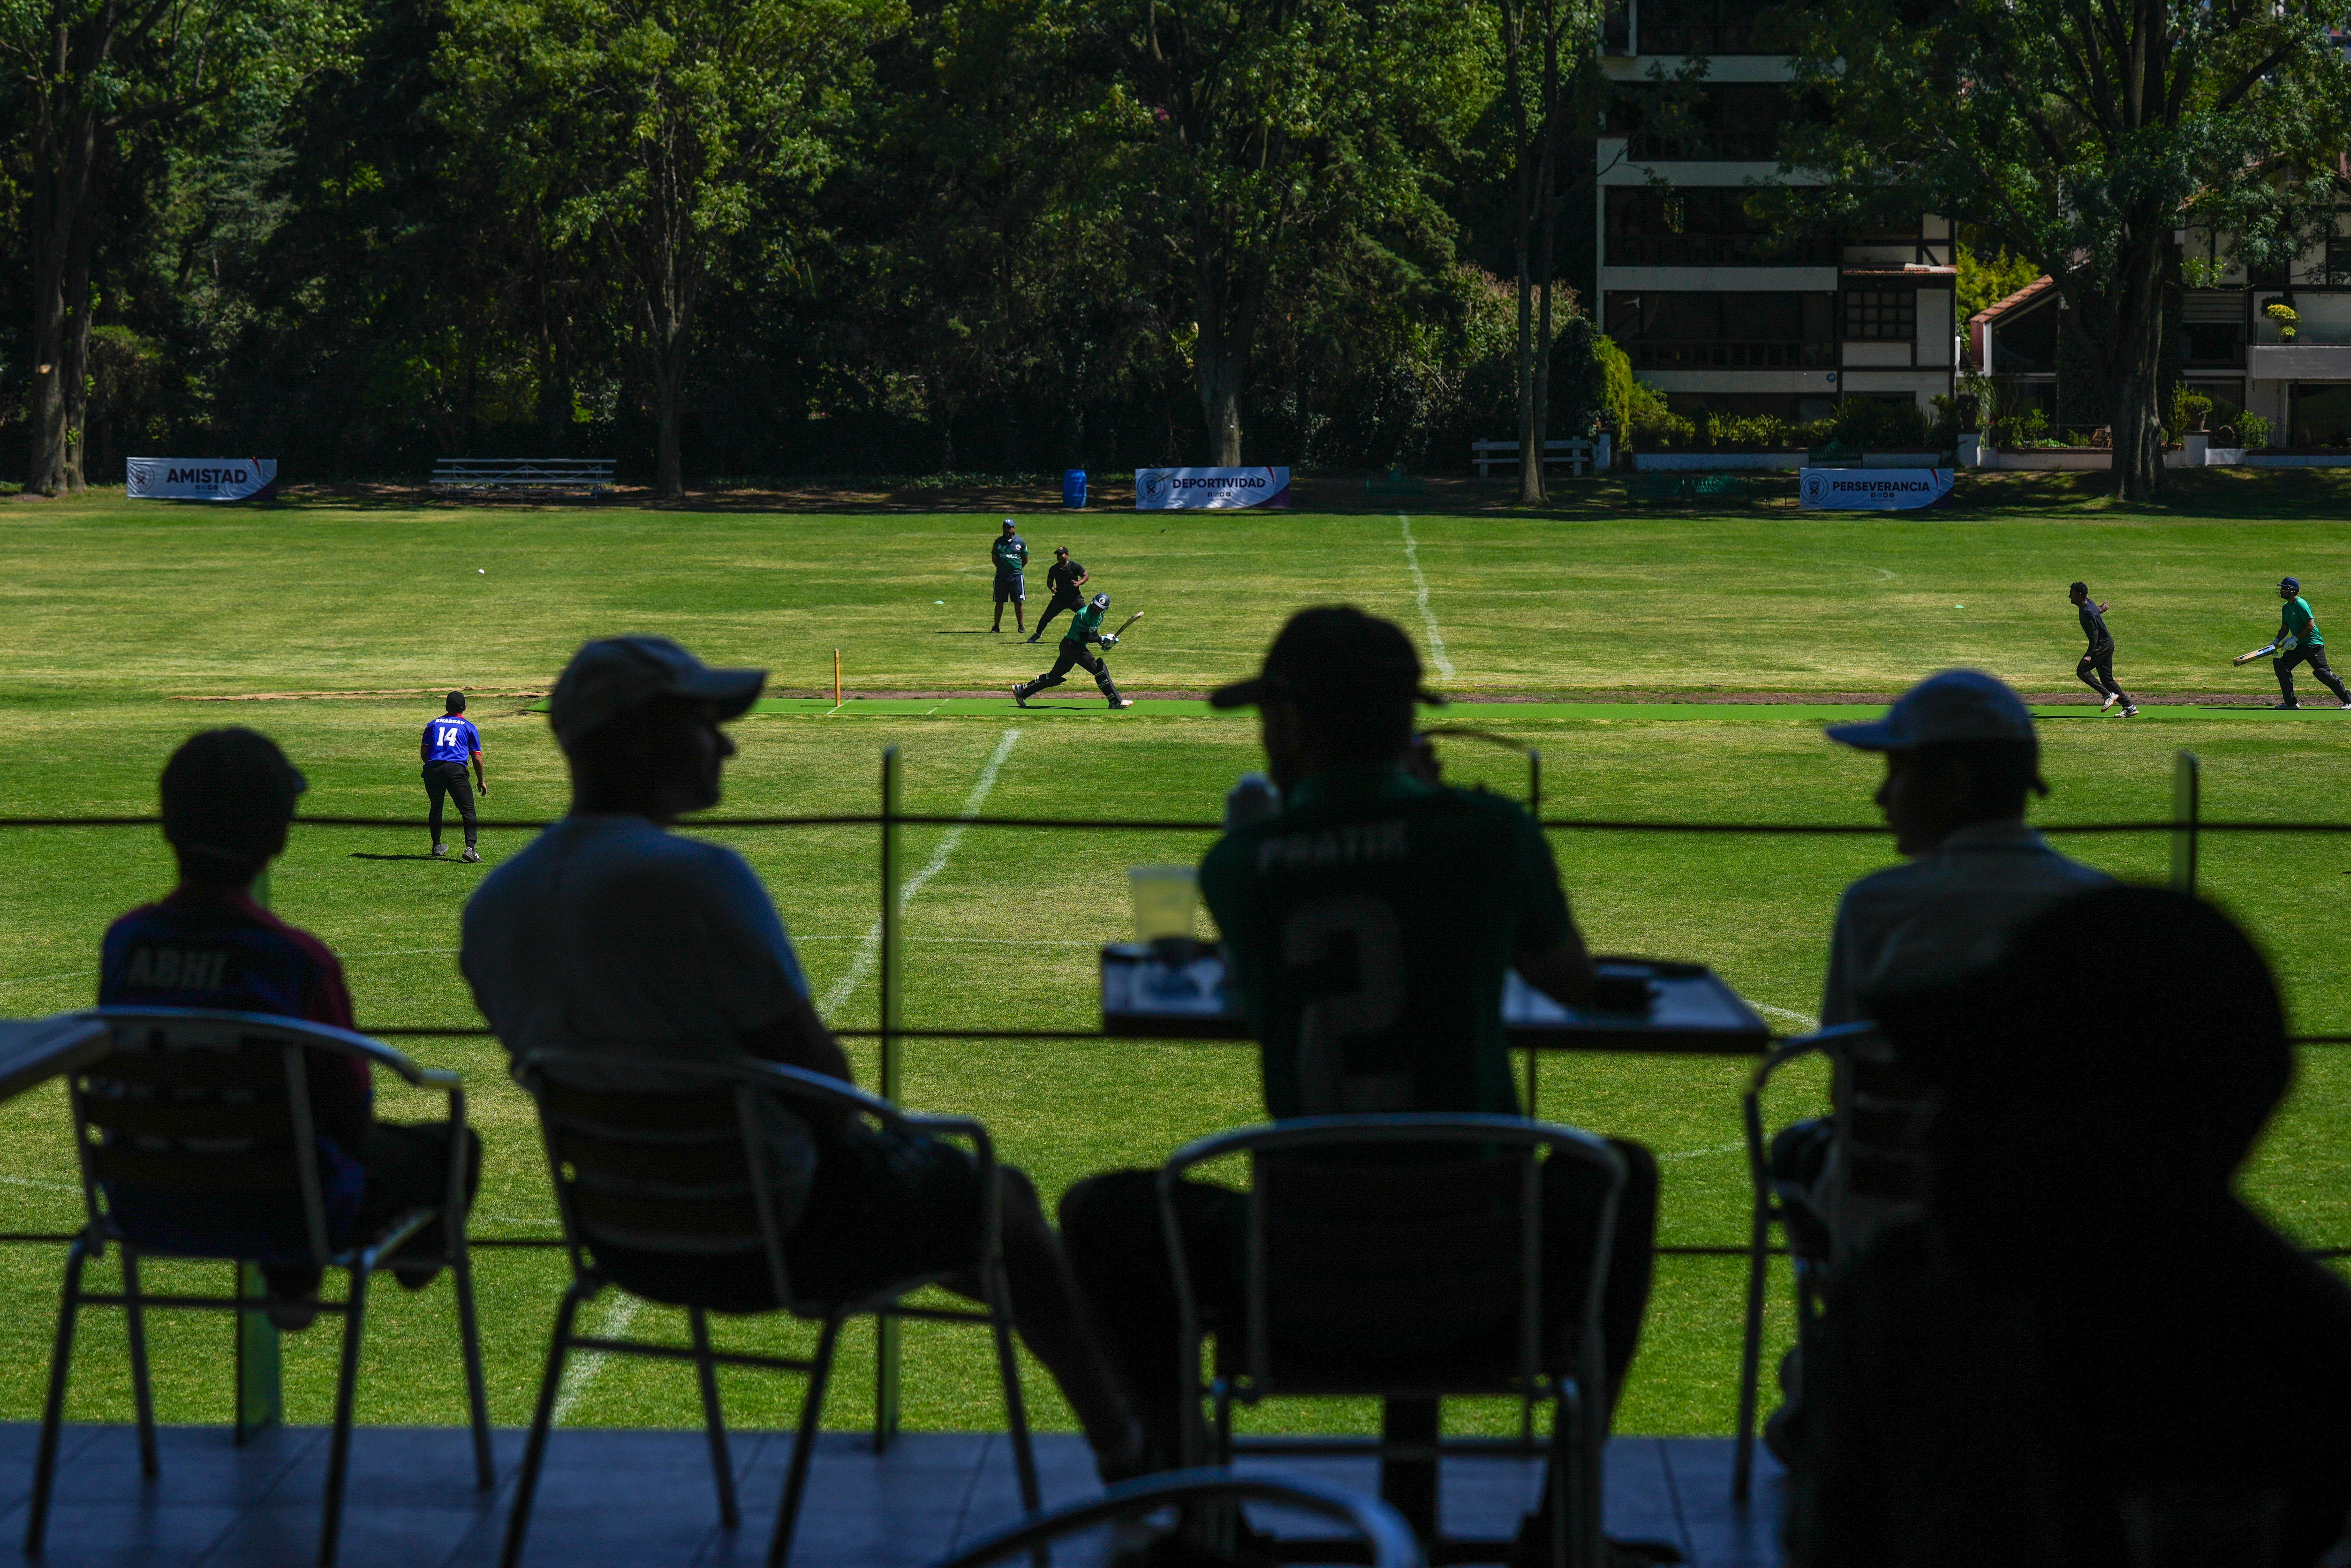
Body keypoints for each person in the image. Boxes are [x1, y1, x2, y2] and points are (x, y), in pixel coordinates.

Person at [459, 635, 1146, 1476]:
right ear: (639, 737)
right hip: (777, 1234)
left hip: (621, 1239)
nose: (729, 743)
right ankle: (1126, 1440)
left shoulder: (493, 905)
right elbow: (828, 1087)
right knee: (999, 1200)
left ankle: (1106, 1384)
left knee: (975, 1227)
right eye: (706, 722)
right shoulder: (698, 879)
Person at [1058, 608, 1660, 1513]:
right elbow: (1568, 978)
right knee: (1625, 1174)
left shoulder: (1239, 863)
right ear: (1406, 723)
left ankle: (1193, 1507)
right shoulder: (1489, 832)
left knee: (1102, 1211)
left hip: (1300, 1271)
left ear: (1294, 725)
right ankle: (1563, 1516)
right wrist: (1430, 804)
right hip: (1483, 1266)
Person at [1787, 886, 2351, 1568]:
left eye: (2002, 1097)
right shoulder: (2300, 1349)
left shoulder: (1902, 1309)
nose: (1931, 1128)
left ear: (2120, 1128)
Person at [99, 728, 481, 1328]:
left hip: (146, 1203)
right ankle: (301, 1267)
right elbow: (350, 1109)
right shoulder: (297, 962)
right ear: (278, 837)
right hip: (285, 1206)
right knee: (453, 1146)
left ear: (168, 826)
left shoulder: (124, 942)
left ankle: (293, 1273)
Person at [1817, 669, 2111, 1028]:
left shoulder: (1879, 906)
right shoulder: (2107, 906)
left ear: (1953, 783)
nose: (1881, 797)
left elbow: (1853, 1065)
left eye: (1897, 772)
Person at [1013, 591, 1132, 709]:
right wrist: (1101, 639)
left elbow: (1092, 631)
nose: (1096, 610)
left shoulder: (1100, 615)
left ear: (1105, 609)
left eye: (1100, 609)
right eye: (1095, 607)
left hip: (1072, 647)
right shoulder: (1083, 614)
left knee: (1054, 677)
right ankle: (1115, 701)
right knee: (1099, 669)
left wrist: (1105, 643)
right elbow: (1084, 637)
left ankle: (1022, 691)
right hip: (1072, 646)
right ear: (1092, 603)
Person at [422, 690, 488, 862]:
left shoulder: (433, 725)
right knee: (468, 810)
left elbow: (424, 752)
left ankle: (437, 846)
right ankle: (470, 848)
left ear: (446, 707)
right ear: (464, 708)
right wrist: (481, 780)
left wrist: (433, 765)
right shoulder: (468, 727)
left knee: (436, 806)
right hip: (455, 770)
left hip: (433, 769)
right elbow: (477, 757)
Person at [2269, 575, 2351, 709]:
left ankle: (2348, 700)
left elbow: (2310, 625)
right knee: (2282, 666)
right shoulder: (2286, 607)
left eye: (2285, 589)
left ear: (2293, 591)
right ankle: (2291, 703)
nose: (2282, 591)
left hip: (2313, 644)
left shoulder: (2301, 604)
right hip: (2300, 645)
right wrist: (2276, 641)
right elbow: (2285, 627)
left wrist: (2295, 639)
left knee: (2323, 673)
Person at [2067, 582, 2135, 717]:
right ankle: (2129, 707)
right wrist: (2102, 609)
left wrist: (2089, 654)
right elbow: (2096, 610)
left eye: (2072, 593)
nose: (2070, 596)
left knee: (2082, 671)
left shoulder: (2087, 611)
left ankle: (2108, 695)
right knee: (2107, 680)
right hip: (2108, 644)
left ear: (2079, 595)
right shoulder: (2089, 603)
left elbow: (2095, 634)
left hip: (2102, 646)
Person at [1028, 546, 1089, 642]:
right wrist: (1051, 587)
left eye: (1062, 554)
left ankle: (1094, 636)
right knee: (1046, 617)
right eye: (1058, 555)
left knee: (1086, 616)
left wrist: (1079, 583)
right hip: (1060, 598)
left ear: (1067, 556)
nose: (1060, 557)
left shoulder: (1074, 566)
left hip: (1075, 598)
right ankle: (1037, 634)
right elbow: (1050, 581)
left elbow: (1086, 576)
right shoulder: (1054, 569)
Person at [990, 517, 1028, 634]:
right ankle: (996, 627)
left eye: (1009, 528)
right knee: (999, 601)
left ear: (1014, 529)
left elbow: (1025, 559)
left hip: (1016, 575)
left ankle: (1021, 626)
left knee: (1018, 601)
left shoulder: (1020, 542)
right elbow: (995, 558)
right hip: (1001, 576)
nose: (1007, 530)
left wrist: (1016, 568)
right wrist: (1002, 568)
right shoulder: (998, 542)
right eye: (1005, 527)